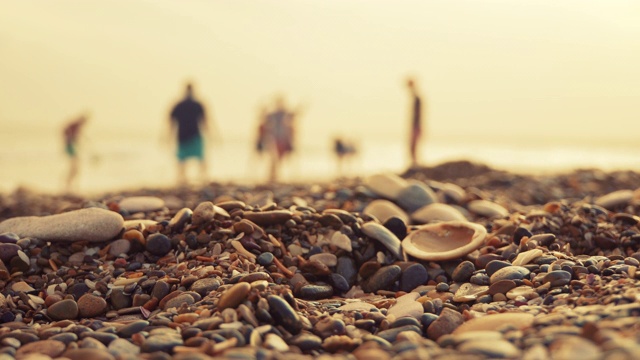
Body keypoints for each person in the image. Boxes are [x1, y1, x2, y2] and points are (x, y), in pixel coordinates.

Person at [169, 82, 212, 185]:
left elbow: (171, 121)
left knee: (186, 159)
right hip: (189, 135)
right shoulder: (194, 104)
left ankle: (198, 178)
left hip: (186, 135)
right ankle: (187, 178)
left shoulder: (181, 105)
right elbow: (205, 121)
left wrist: (168, 136)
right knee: (193, 158)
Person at [263, 95, 297, 182]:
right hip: (275, 137)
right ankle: (273, 175)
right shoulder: (275, 114)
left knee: (279, 157)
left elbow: (293, 116)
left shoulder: (284, 113)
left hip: (282, 138)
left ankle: (275, 175)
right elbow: (266, 119)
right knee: (275, 157)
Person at [63, 113, 89, 192]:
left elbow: (75, 135)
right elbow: (71, 135)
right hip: (71, 148)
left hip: (70, 147)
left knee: (74, 167)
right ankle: (70, 186)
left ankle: (71, 186)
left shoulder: (75, 126)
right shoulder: (76, 125)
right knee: (75, 168)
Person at [407, 78, 424, 167]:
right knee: (413, 146)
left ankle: (415, 164)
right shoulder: (416, 98)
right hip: (416, 126)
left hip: (416, 126)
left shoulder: (417, 99)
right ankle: (415, 163)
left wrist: (415, 126)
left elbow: (417, 114)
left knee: (413, 146)